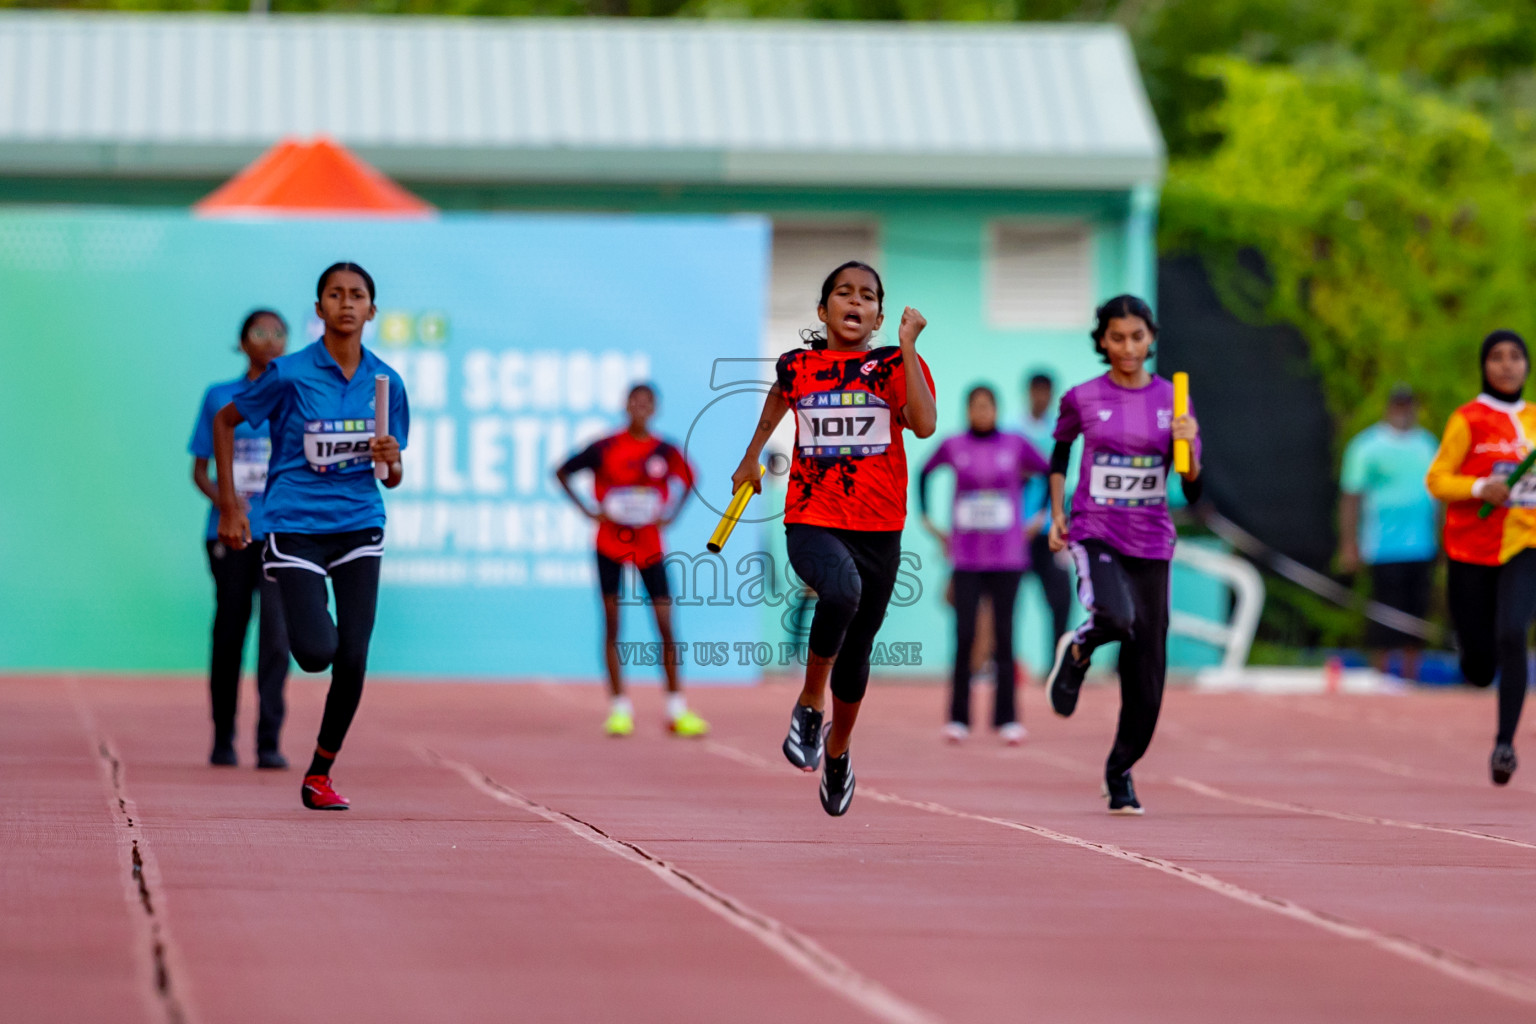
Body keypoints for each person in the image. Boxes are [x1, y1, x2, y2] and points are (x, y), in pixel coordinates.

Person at [730, 261, 935, 816]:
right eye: (843, 293)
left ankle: (839, 753)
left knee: (859, 650)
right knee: (840, 592)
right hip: (812, 515)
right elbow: (779, 396)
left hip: (880, 526)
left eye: (867, 296)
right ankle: (808, 703)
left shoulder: (894, 364)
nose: (855, 301)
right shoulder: (800, 365)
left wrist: (909, 348)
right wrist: (750, 458)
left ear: (879, 315)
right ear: (823, 311)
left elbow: (923, 424)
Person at [213, 262, 409, 811]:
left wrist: (391, 462)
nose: (346, 304)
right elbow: (225, 424)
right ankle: (309, 617)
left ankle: (319, 774)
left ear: (372, 310)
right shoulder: (289, 373)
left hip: (359, 525)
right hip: (295, 525)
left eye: (357, 296)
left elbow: (391, 476)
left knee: (353, 656)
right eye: (334, 295)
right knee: (317, 652)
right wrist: (231, 505)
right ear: (318, 308)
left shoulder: (386, 383)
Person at [1043, 295, 1202, 815]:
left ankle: (1121, 770)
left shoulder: (1173, 401)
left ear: (1151, 338)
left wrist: (1190, 445)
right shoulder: (1083, 397)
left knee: (1147, 671)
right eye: (1117, 338)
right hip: (1096, 531)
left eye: (1137, 337)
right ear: (1102, 341)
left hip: (1152, 540)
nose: (1128, 348)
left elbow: (1193, 489)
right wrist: (1056, 511)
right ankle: (1080, 648)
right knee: (1115, 615)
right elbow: (1061, 450)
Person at [555, 383, 709, 738]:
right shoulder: (604, 446)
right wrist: (587, 510)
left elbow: (692, 479)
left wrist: (670, 516)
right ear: (625, 405)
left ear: (655, 408)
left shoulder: (664, 450)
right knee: (612, 623)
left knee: (665, 624)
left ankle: (676, 709)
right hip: (610, 543)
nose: (640, 407)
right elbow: (562, 471)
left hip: (649, 546)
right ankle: (619, 709)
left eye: (647, 402)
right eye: (634, 401)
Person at [1425, 330, 1536, 786]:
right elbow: (1437, 480)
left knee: (1513, 633)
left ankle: (1505, 743)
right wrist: (1477, 488)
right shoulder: (1468, 419)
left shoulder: (1534, 419)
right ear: (1484, 365)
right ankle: (1474, 659)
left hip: (1525, 544)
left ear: (1527, 366)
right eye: (1497, 357)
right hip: (1471, 549)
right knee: (1478, 664)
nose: (1507, 365)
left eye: (1516, 357)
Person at [189, 310, 292, 768]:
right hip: (229, 534)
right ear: (241, 341)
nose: (269, 340)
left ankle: (269, 742)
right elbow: (199, 470)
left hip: (279, 536)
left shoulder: (293, 394)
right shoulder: (219, 397)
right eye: (259, 332)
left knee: (276, 638)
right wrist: (228, 504)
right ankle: (221, 738)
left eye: (278, 333)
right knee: (229, 633)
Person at [920, 385, 1048, 745]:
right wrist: (929, 520)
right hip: (966, 557)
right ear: (967, 410)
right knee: (963, 636)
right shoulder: (953, 445)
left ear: (996, 409)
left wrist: (1040, 516)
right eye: (975, 406)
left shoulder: (1015, 444)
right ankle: (958, 718)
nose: (981, 412)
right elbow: (924, 472)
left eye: (987, 406)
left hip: (1007, 556)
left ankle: (1006, 718)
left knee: (1005, 638)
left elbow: (1049, 471)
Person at [1337, 385, 1440, 679]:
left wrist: (1443, 539)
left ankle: (1411, 678)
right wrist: (1349, 544)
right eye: (1398, 405)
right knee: (1384, 612)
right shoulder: (1367, 446)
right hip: (1383, 545)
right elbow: (1351, 497)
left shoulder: (1427, 444)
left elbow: (1437, 497)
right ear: (1389, 407)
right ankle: (1380, 677)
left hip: (1421, 545)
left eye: (1409, 405)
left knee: (1416, 612)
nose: (1404, 412)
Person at [1020, 372, 1073, 667]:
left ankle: (1058, 663)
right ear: (1028, 393)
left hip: (1048, 532)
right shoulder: (1013, 429)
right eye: (1036, 392)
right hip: (1016, 532)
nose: (1041, 398)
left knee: (1061, 598)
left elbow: (1060, 479)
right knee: (1003, 601)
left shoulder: (1060, 431)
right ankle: (998, 663)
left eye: (1046, 393)